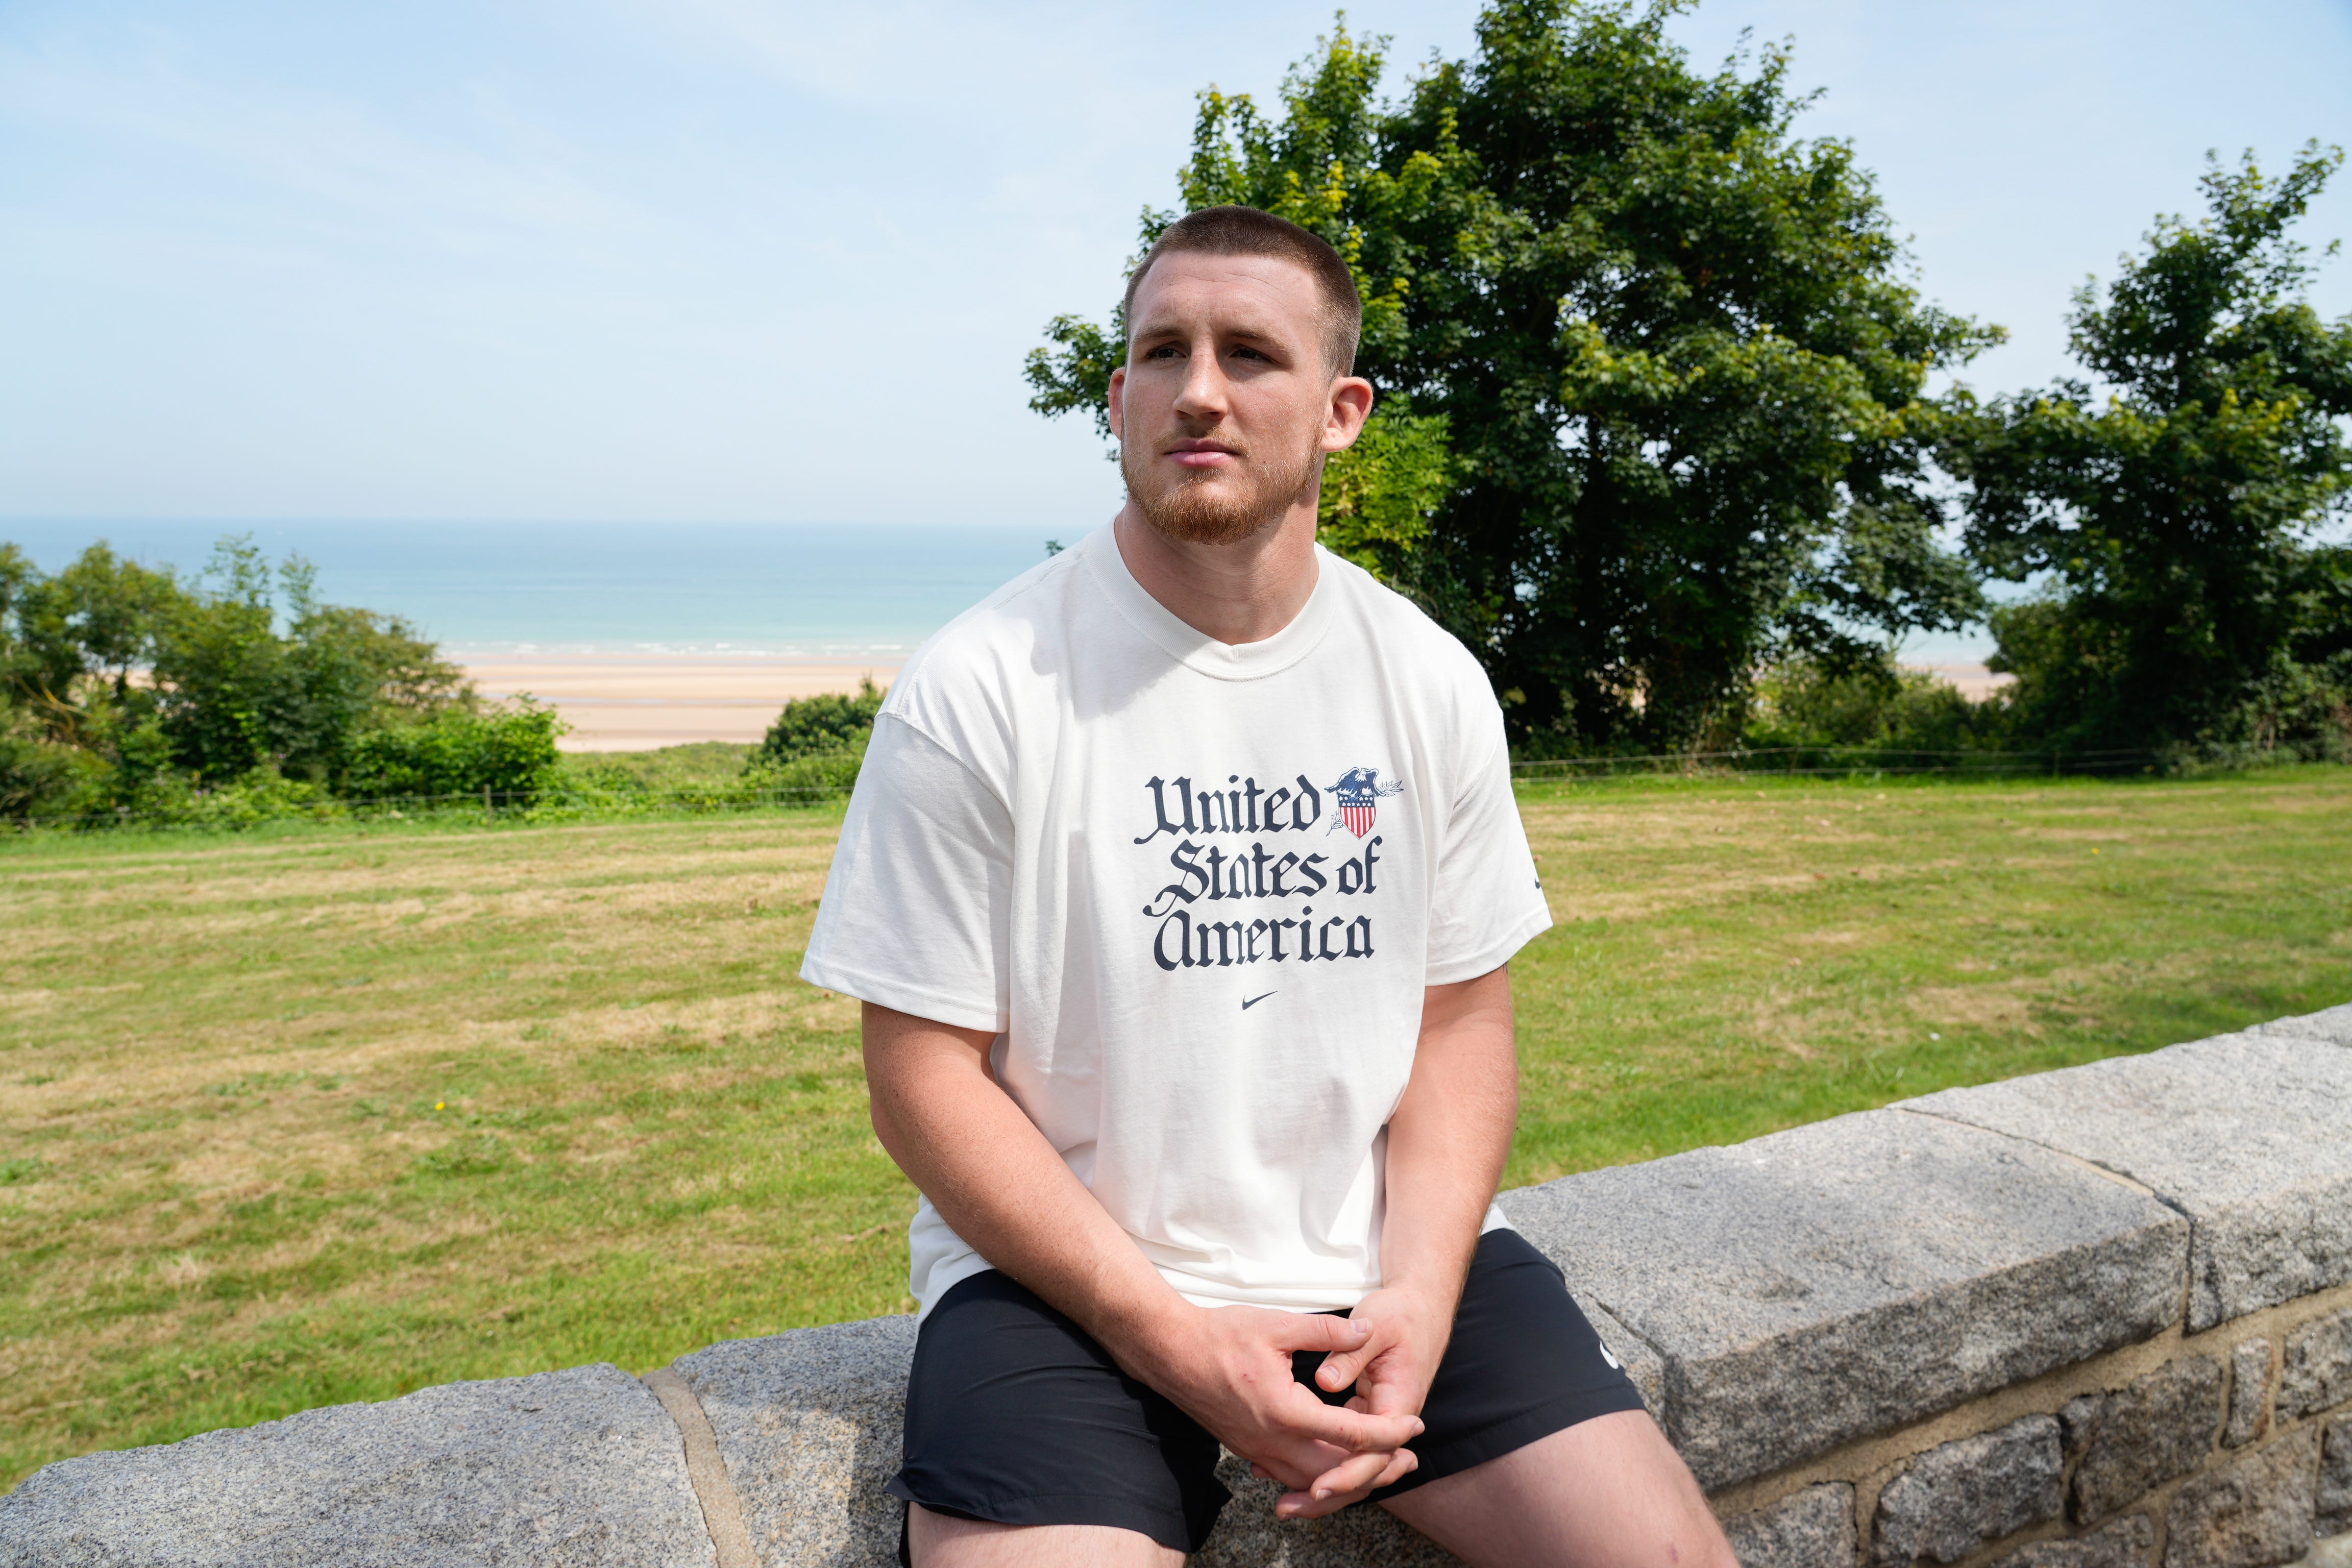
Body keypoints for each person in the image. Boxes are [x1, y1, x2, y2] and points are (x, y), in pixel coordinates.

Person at [801, 205, 1738, 1568]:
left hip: (1377, 1263)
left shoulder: (1424, 681)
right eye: (1162, 352)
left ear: (1341, 409)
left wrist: (1420, 1296)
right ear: (1116, 398)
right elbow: (922, 1078)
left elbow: (1461, 1024)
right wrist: (1177, 1343)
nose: (1199, 391)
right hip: (1061, 1286)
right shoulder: (983, 688)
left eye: (1251, 353)